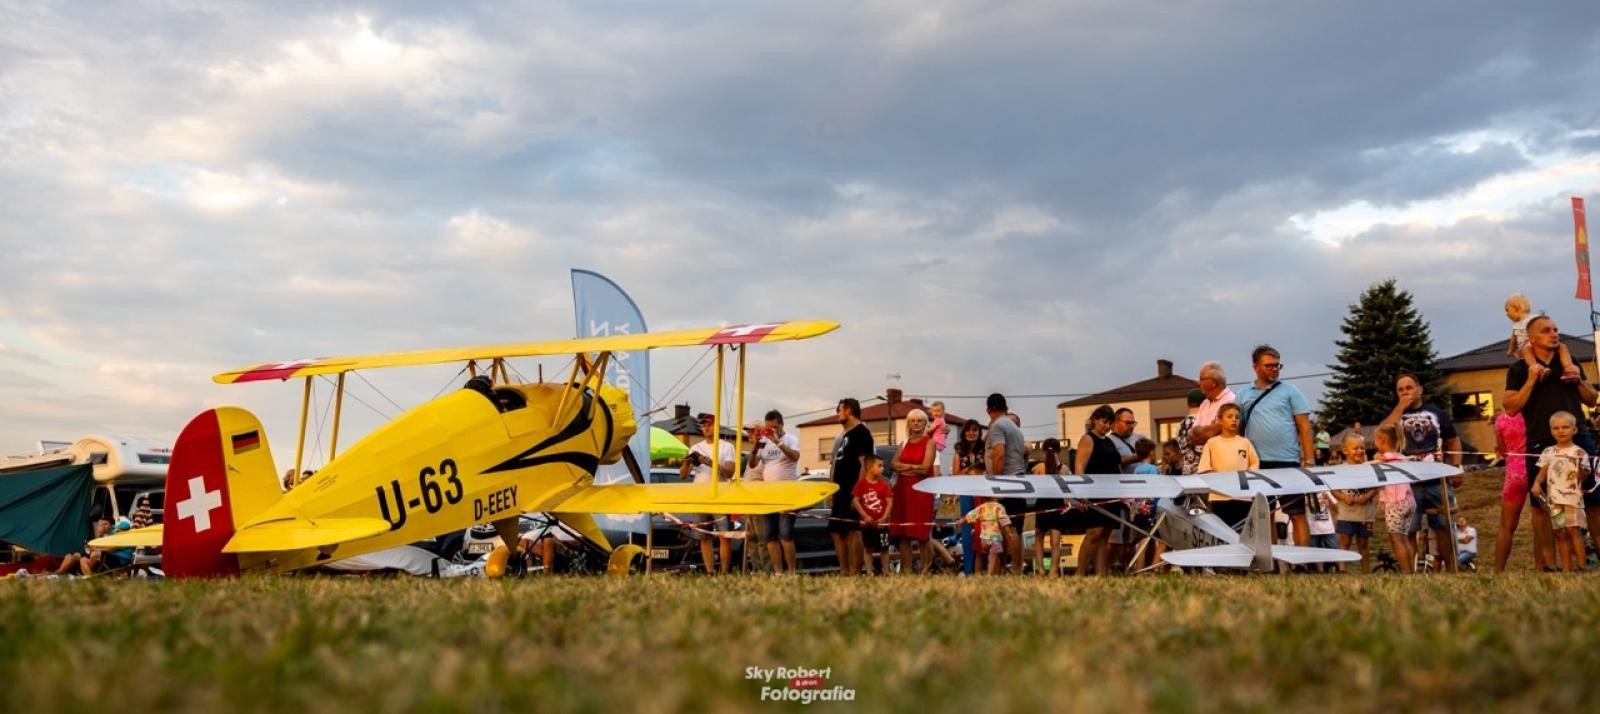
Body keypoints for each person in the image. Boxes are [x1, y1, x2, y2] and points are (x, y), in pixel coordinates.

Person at [1498, 315, 1597, 572]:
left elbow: (1591, 399)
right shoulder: (1519, 369)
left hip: (1580, 437)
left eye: (1555, 329)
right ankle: (1549, 565)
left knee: (1595, 499)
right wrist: (1531, 379)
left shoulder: (1570, 361)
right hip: (1541, 441)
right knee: (1542, 506)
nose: (1554, 334)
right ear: (1531, 338)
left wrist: (1579, 380)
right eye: (1546, 331)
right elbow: (1510, 407)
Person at [1380, 373, 1463, 573]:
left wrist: (1457, 467)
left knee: (1443, 526)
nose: (1405, 392)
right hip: (1408, 482)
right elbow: (1383, 432)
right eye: (1400, 390)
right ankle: (1410, 573)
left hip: (1437, 479)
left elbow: (1453, 440)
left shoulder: (1436, 413)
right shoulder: (1396, 415)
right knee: (1410, 529)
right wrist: (1400, 407)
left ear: (1420, 389)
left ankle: (1452, 570)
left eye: (1409, 388)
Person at [1235, 345, 1315, 545]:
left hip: (1287, 461)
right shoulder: (1243, 395)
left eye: (1277, 365)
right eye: (1269, 365)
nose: (1274, 369)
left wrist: (1309, 459)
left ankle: (1302, 564)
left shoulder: (1291, 391)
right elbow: (1237, 432)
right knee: (1265, 516)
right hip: (1257, 464)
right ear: (1255, 367)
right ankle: (1271, 565)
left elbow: (1305, 427)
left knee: (1296, 514)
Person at [1533, 411, 1589, 572]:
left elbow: (1583, 477)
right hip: (1554, 501)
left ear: (1574, 430)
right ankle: (1567, 570)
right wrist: (1536, 484)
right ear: (1551, 431)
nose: (1561, 431)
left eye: (1565, 427)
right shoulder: (1548, 452)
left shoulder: (1579, 452)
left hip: (1572, 499)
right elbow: (1542, 473)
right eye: (1556, 428)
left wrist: (1580, 465)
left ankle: (1582, 567)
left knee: (1573, 531)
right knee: (1560, 534)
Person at [680, 413, 735, 574]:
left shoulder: (726, 446)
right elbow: (682, 475)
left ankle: (724, 572)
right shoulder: (695, 448)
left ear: (716, 426)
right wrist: (686, 463)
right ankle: (710, 571)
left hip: (720, 496)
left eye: (709, 424)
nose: (706, 427)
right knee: (703, 537)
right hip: (700, 496)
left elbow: (730, 472)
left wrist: (711, 463)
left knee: (724, 535)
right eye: (703, 425)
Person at [749, 410, 802, 573]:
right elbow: (752, 464)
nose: (769, 431)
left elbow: (795, 456)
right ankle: (778, 573)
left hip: (787, 493)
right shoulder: (763, 441)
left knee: (785, 536)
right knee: (769, 537)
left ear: (781, 424)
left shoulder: (791, 439)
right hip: (768, 494)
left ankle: (792, 572)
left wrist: (777, 441)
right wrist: (756, 446)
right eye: (767, 428)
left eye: (772, 428)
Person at [828, 398, 875, 577]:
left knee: (853, 530)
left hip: (852, 489)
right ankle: (844, 571)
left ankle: (855, 572)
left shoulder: (862, 433)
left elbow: (864, 464)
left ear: (848, 410)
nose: (838, 413)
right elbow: (834, 464)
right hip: (838, 491)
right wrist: (831, 490)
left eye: (839, 410)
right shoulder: (841, 436)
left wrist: (858, 492)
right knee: (836, 531)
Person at [1074, 405, 1122, 575]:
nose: (1107, 426)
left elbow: (1117, 464)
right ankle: (1080, 572)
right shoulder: (1088, 439)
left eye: (1110, 423)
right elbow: (1079, 467)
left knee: (1105, 534)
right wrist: (1080, 495)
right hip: (1094, 492)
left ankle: (1101, 574)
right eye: (1104, 421)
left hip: (1112, 492)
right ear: (1095, 420)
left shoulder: (1108, 441)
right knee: (1094, 532)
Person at [1196, 403, 1260, 527]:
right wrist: (1221, 481)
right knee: (1223, 531)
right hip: (1219, 497)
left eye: (1237, 417)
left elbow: (1254, 464)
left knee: (1241, 530)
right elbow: (1204, 469)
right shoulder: (1212, 443)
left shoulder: (1245, 443)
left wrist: (1246, 479)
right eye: (1229, 416)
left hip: (1242, 496)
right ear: (1220, 420)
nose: (1234, 420)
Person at [890, 409, 938, 574]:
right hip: (902, 493)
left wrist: (906, 468)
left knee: (922, 534)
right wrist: (913, 468)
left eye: (919, 420)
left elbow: (925, 468)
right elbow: (893, 464)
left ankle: (926, 571)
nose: (916, 423)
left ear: (925, 423)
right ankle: (907, 571)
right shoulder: (903, 443)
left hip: (922, 492)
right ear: (908, 423)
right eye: (913, 420)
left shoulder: (929, 442)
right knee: (903, 535)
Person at [985, 393, 1028, 574]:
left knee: (1009, 530)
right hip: (1019, 480)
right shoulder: (1013, 426)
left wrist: (996, 481)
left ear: (988, 411)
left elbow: (999, 453)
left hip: (1006, 481)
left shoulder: (997, 426)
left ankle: (1017, 569)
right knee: (1012, 529)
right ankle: (1009, 568)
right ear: (1006, 408)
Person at [1330, 433, 1377, 572]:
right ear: (1345, 451)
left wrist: (1367, 496)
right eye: (1355, 448)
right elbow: (1333, 488)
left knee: (1363, 543)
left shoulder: (1369, 468)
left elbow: (1376, 487)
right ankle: (1342, 569)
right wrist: (1343, 498)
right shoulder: (1339, 469)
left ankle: (1365, 571)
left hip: (1365, 513)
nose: (1360, 451)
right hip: (1346, 513)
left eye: (1362, 448)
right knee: (1345, 541)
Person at [1374, 424, 1418, 573]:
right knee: (1405, 538)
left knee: (1396, 539)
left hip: (1395, 502)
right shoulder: (1402, 458)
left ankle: (1405, 571)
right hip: (1409, 501)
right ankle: (1412, 570)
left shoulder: (1383, 461)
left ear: (1382, 440)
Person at [952, 419, 987, 575]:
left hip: (983, 491)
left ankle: (984, 567)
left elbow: (988, 469)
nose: (971, 433)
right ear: (964, 432)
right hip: (966, 491)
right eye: (968, 430)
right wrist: (969, 470)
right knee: (967, 529)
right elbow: (955, 475)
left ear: (979, 433)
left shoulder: (985, 449)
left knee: (984, 528)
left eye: (975, 430)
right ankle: (968, 570)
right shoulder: (959, 451)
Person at [1031, 438, 1070, 577]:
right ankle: (1053, 570)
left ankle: (1040, 569)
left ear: (1043, 451)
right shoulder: (1064, 469)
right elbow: (1068, 490)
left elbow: (1034, 487)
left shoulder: (1038, 468)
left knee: (1039, 536)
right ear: (1059, 451)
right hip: (1056, 504)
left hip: (1042, 503)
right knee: (1055, 541)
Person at [852, 454, 894, 575]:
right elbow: (855, 500)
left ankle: (886, 572)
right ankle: (869, 571)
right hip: (867, 524)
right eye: (879, 466)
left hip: (882, 524)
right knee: (868, 548)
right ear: (870, 467)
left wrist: (884, 517)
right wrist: (864, 516)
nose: (882, 469)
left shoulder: (884, 485)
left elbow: (890, 502)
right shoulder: (861, 484)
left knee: (884, 549)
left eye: (883, 466)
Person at [1185, 361, 1237, 454]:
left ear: (1213, 382)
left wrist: (1203, 431)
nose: (1198, 382)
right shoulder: (1205, 403)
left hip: (1224, 458)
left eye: (1201, 378)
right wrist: (1209, 429)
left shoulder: (1231, 401)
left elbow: (1219, 432)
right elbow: (1192, 435)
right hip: (1206, 460)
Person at [957, 497, 1011, 576]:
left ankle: (977, 574)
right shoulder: (999, 507)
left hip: (984, 539)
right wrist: (1009, 532)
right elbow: (1004, 520)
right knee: (994, 556)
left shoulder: (981, 507)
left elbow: (971, 515)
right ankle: (990, 574)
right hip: (995, 538)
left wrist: (962, 521)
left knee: (980, 555)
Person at [1175, 389, 1205, 475]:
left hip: (1186, 471)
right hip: (1204, 471)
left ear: (1188, 404)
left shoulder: (1180, 425)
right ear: (1204, 404)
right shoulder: (1205, 422)